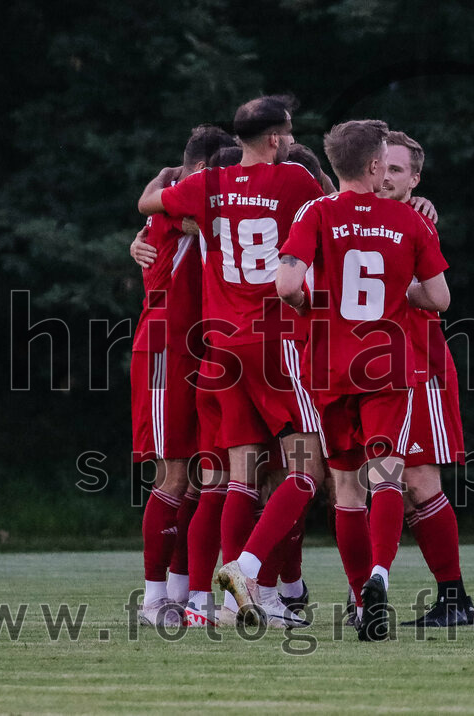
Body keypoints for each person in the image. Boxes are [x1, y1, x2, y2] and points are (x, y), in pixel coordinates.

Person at [138, 95, 326, 628]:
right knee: (306, 469)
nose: (290, 141)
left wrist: (167, 180)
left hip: (219, 346)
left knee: (236, 480)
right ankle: (243, 570)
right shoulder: (293, 180)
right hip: (273, 337)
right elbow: (333, 210)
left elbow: (149, 208)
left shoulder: (207, 187)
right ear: (274, 138)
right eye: (287, 133)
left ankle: (226, 603)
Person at [276, 119, 451, 641]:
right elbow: (440, 299)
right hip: (388, 366)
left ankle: (358, 601)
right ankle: (380, 574)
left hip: (330, 364)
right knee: (388, 474)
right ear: (376, 166)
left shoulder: (317, 211)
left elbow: (286, 285)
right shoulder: (408, 221)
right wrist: (397, 297)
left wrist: (317, 304)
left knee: (347, 488)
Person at [130, 124, 235, 627]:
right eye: (223, 174)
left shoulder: (187, 201)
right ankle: (152, 600)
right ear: (199, 173)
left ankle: (181, 597)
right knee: (172, 474)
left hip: (202, 351)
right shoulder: (183, 204)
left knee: (200, 477)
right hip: (164, 351)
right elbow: (154, 203)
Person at [377, 130, 474, 627]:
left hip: (421, 364)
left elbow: (436, 295)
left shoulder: (416, 221)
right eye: (381, 166)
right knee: (387, 480)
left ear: (415, 179)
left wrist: (391, 292)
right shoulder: (358, 216)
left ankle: (452, 597)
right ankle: (435, 596)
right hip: (377, 370)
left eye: (398, 169)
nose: (386, 175)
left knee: (415, 478)